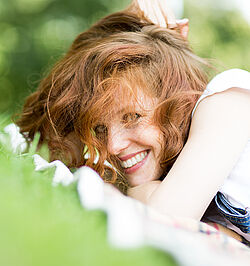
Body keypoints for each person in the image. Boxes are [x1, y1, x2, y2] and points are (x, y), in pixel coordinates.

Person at [15, 0, 250, 244]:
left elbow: (164, 221)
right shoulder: (180, 181)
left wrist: (140, 194)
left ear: (175, 98)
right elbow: (49, 145)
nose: (114, 146)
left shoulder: (229, 97)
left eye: (133, 118)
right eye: (100, 129)